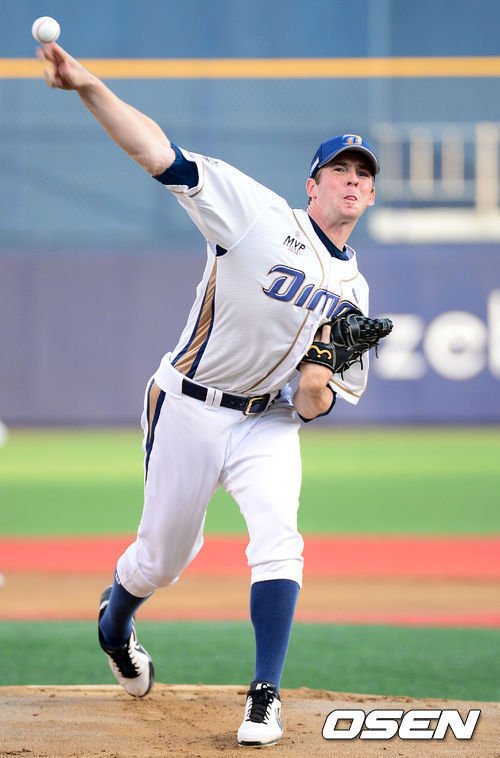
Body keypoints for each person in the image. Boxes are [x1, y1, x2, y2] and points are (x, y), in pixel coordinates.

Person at [38, 42, 380, 748]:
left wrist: (319, 372)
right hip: (190, 404)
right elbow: (157, 152)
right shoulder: (257, 214)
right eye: (339, 170)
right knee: (162, 559)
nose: (351, 181)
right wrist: (88, 85)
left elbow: (312, 403)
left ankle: (264, 695)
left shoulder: (356, 294)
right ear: (312, 185)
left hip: (268, 422)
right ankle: (115, 624)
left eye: (363, 175)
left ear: (370, 197)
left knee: (280, 539)